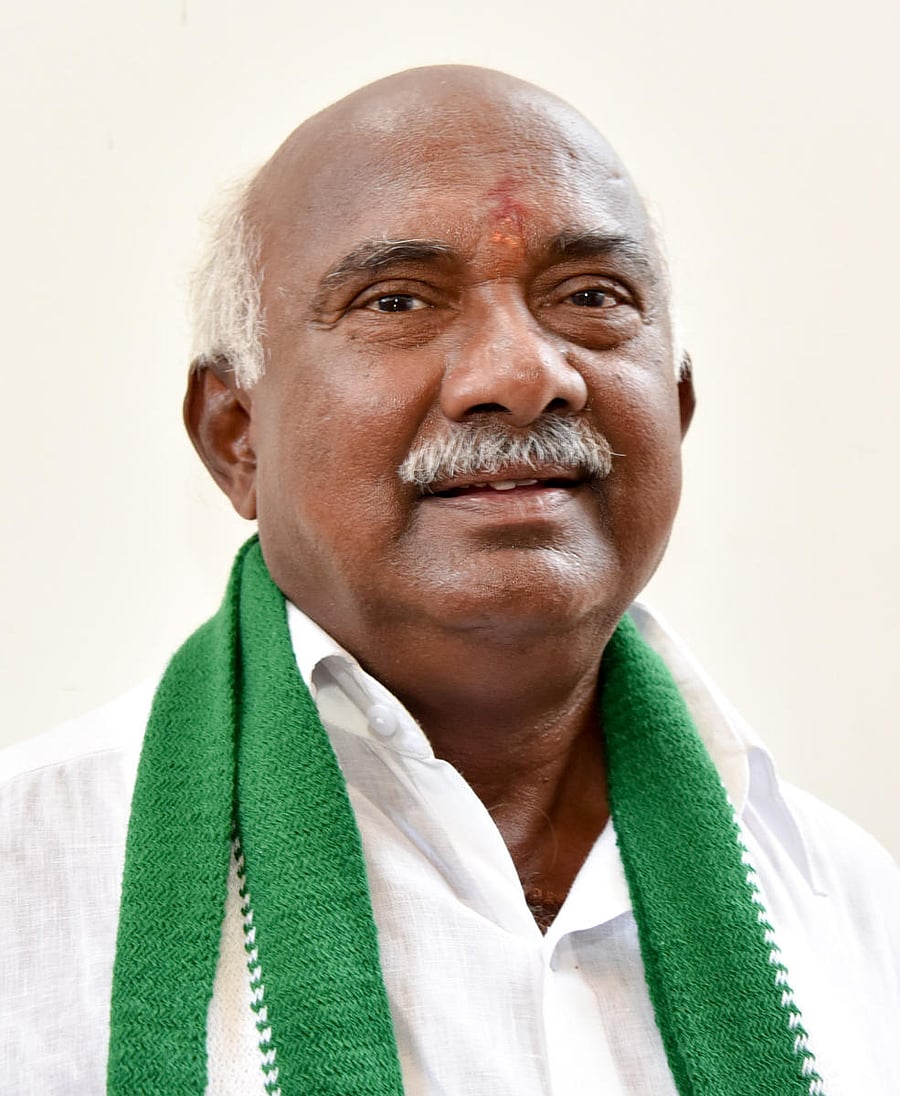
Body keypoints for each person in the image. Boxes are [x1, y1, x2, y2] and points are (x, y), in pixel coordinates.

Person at [1, 65, 896, 1096]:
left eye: (591, 297)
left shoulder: (851, 909)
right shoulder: (33, 872)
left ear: (679, 405)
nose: (522, 375)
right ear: (237, 436)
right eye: (397, 301)